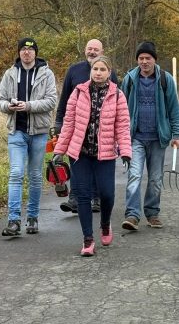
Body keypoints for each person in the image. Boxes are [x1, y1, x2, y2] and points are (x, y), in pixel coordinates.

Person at [53, 56, 132, 256]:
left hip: (104, 154)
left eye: (102, 69)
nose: (98, 72)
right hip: (80, 154)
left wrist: (125, 151)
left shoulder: (118, 95)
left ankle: (105, 224)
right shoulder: (78, 93)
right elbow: (69, 123)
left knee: (107, 194)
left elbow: (122, 127)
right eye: (95, 68)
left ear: (109, 72)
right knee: (83, 195)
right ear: (91, 71)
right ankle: (88, 239)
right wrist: (59, 151)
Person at [0, 37, 57, 237]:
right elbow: (0, 101)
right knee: (15, 173)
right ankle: (13, 221)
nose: (26, 53)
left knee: (35, 176)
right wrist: (10, 106)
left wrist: (29, 106)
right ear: (19, 52)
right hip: (17, 131)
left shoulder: (46, 73)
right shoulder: (10, 74)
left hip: (38, 133)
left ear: (35, 53)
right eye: (23, 49)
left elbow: (51, 101)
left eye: (30, 50)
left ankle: (32, 217)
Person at [120, 41, 179, 230]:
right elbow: (121, 110)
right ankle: (132, 215)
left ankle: (152, 213)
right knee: (134, 175)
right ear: (137, 60)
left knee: (155, 179)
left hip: (158, 138)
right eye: (141, 58)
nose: (144, 62)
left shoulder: (166, 79)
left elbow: (174, 109)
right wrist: (120, 134)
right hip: (136, 137)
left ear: (154, 60)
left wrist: (177, 133)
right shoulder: (129, 80)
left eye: (148, 58)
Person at [53, 39, 118, 214]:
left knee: (97, 161)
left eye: (96, 49)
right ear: (84, 50)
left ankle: (96, 199)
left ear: (102, 51)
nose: (92, 52)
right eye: (89, 49)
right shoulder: (74, 70)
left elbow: (117, 99)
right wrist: (59, 123)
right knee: (76, 161)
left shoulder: (109, 72)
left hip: (100, 129)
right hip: (76, 127)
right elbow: (64, 99)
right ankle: (75, 198)